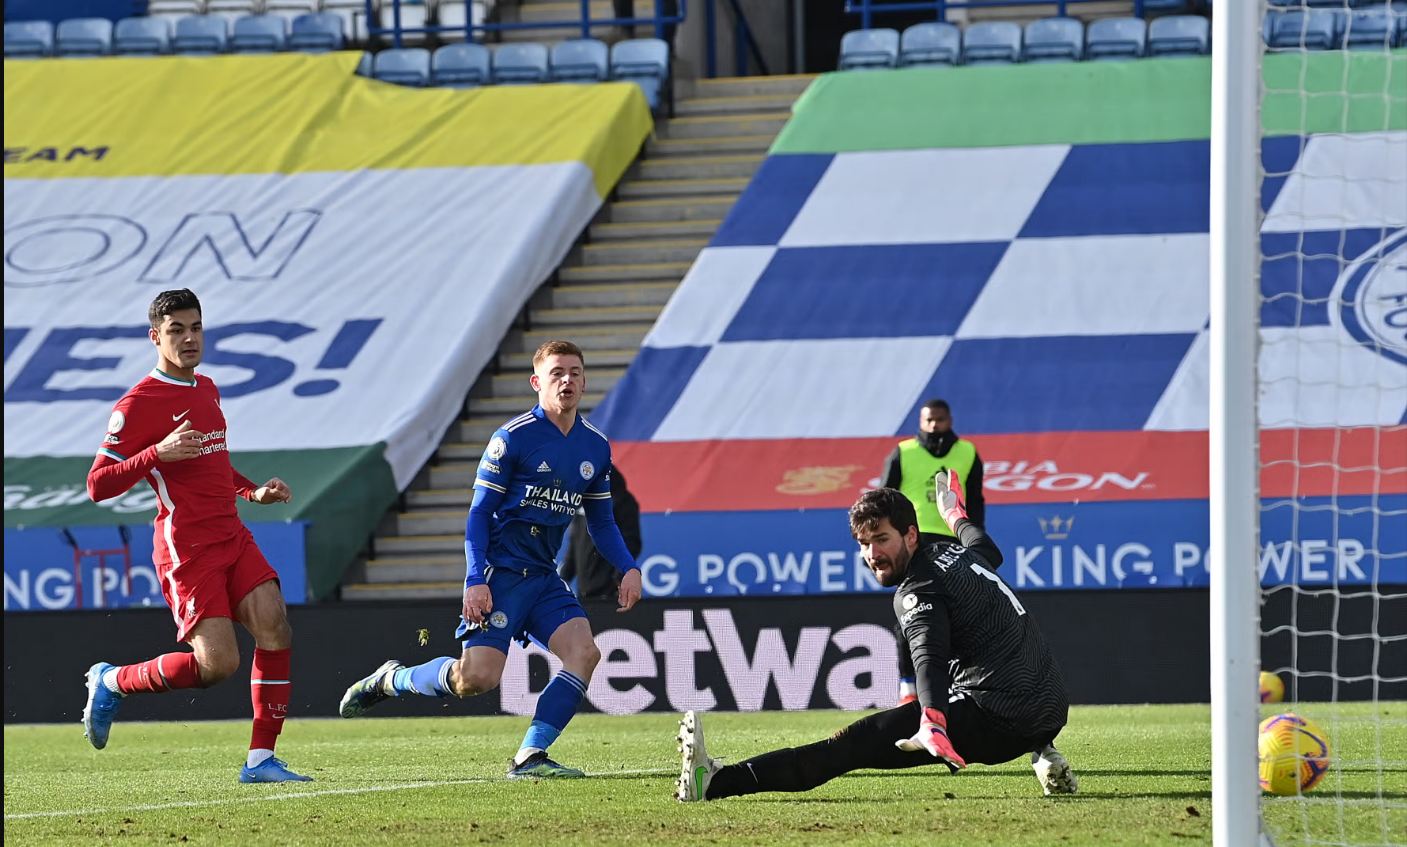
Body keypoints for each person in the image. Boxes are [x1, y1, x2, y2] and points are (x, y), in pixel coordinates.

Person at [338, 340, 643, 779]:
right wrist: (475, 578)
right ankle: (393, 679)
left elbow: (601, 522)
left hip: (542, 576)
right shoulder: (513, 438)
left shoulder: (594, 447)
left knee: (584, 653)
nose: (567, 381)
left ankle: (530, 756)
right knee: (475, 680)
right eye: (557, 373)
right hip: (500, 575)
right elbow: (479, 513)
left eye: (575, 372)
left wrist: (628, 567)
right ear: (537, 383)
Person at [675, 473, 1076, 802]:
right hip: (1053, 708)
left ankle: (713, 783)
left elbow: (928, 658)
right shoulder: (956, 553)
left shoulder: (916, 590)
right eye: (864, 544)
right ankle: (1045, 753)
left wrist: (933, 720)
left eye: (882, 539)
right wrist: (954, 513)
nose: (872, 554)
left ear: (911, 536)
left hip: (1001, 720)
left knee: (849, 746)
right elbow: (986, 548)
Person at [81, 288, 310, 784]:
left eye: (195, 327)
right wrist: (155, 453)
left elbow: (214, 464)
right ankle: (113, 680)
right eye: (176, 330)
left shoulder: (206, 387)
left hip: (231, 533)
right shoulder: (137, 404)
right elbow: (98, 485)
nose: (189, 338)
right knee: (218, 665)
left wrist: (252, 493)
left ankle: (260, 760)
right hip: (187, 546)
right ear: (155, 337)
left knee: (275, 625)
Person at [881, 398, 986, 705]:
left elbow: (976, 501)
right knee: (909, 609)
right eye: (928, 420)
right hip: (912, 542)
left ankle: (959, 686)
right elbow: (884, 500)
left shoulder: (967, 452)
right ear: (920, 421)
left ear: (949, 419)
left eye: (939, 420)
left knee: (959, 615)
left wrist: (974, 540)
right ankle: (907, 688)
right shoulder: (904, 452)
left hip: (953, 542)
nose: (933, 426)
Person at [561, 467, 642, 602]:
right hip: (584, 592)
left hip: (611, 592)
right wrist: (563, 578)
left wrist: (618, 577)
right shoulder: (580, 503)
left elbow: (631, 541)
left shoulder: (623, 502)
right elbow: (574, 544)